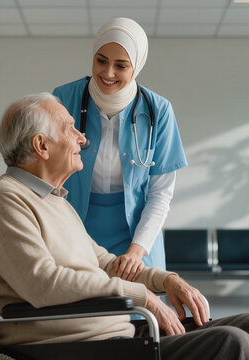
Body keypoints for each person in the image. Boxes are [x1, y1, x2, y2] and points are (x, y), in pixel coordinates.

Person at [0, 93, 249, 360]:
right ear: (42, 145)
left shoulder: (56, 201)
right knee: (232, 344)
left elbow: (106, 264)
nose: (82, 138)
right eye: (69, 129)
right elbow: (42, 283)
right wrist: (142, 297)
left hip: (112, 333)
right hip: (66, 347)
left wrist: (165, 280)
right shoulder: (4, 199)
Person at [53, 17, 186, 281]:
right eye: (101, 60)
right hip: (76, 231)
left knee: (141, 317)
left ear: (136, 67)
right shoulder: (62, 99)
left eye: (121, 65)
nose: (108, 73)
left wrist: (137, 251)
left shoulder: (158, 111)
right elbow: (45, 174)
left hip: (137, 237)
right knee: (82, 316)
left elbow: (160, 195)